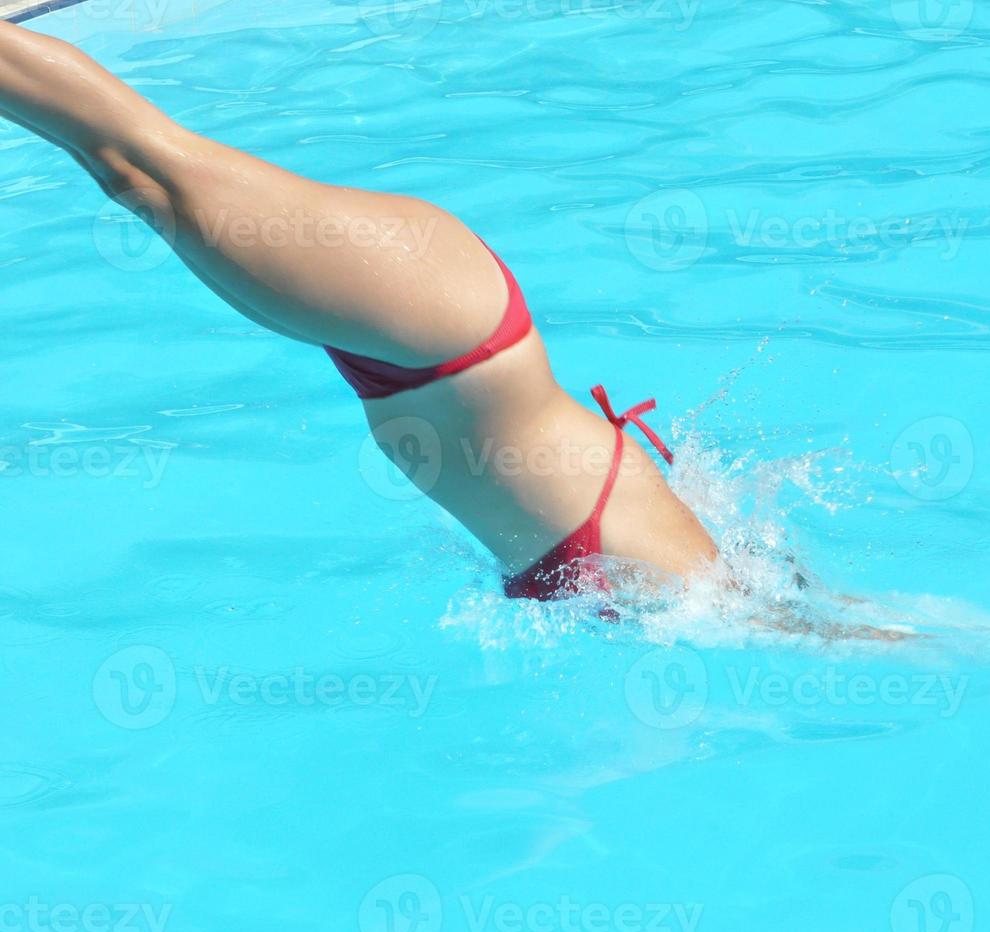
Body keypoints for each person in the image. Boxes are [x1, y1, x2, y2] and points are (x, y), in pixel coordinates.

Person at [0, 20, 718, 602]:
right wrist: (829, 642)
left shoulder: (683, 570)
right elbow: (811, 625)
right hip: (440, 333)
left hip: (425, 347)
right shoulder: (695, 594)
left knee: (130, 171)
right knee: (140, 163)